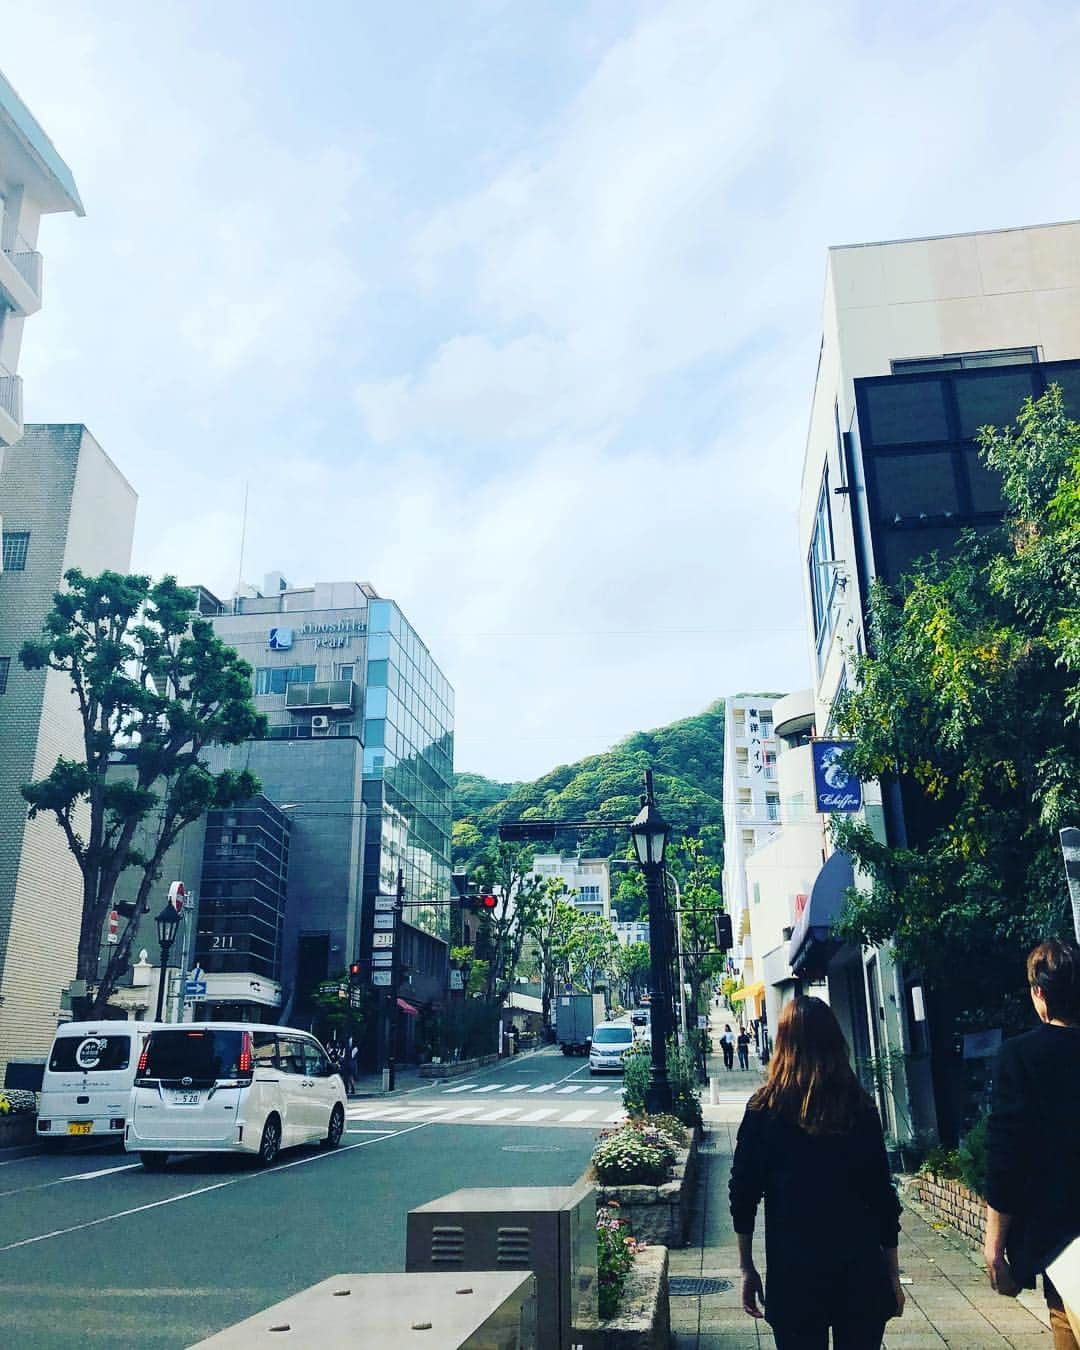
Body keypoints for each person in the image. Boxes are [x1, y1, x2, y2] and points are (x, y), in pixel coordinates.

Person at [729, 996, 903, 1349]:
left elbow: (743, 1195)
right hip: (859, 1271)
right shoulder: (859, 1108)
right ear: (836, 1043)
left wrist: (746, 1267)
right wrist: (892, 1275)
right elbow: (883, 1198)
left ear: (783, 1045)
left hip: (793, 1273)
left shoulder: (764, 1110)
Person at [985, 939, 1080, 1350]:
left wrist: (995, 1248)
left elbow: (1007, 1158)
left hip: (1065, 1252)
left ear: (1039, 993)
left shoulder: (1020, 1058)